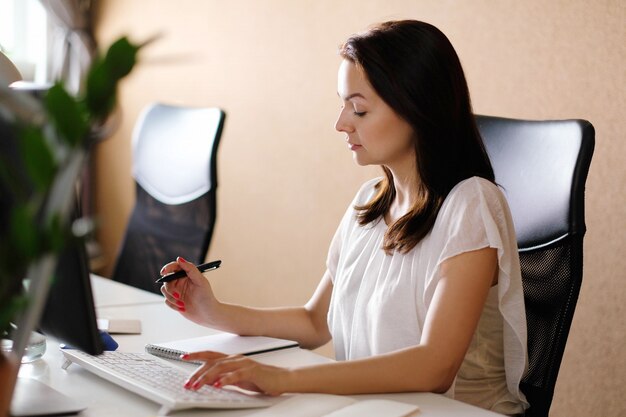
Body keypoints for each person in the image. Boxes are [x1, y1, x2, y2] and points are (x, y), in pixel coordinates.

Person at [160, 19, 529, 415]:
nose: (341, 123)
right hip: (376, 408)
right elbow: (316, 322)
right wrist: (214, 311)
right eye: (343, 105)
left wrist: (282, 379)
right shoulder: (369, 202)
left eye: (359, 108)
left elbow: (434, 367)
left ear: (418, 109)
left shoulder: (471, 204)